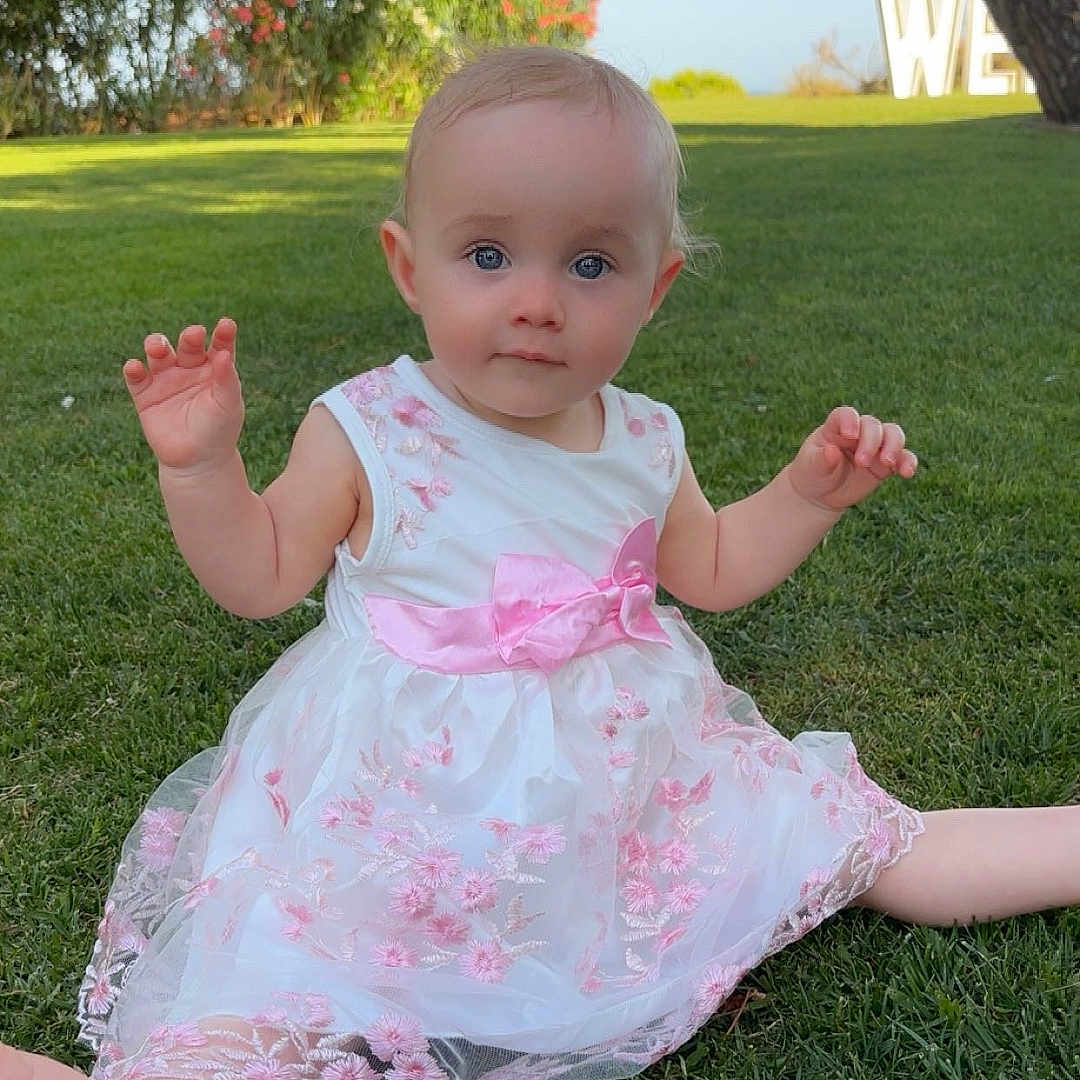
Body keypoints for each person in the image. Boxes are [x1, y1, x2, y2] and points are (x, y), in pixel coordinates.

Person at [5, 44, 1077, 1080]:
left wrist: (804, 496)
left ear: (653, 290)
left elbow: (706, 566)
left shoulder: (642, 436)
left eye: (591, 264)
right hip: (409, 814)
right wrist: (203, 473)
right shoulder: (368, 426)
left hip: (627, 778)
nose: (537, 300)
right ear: (406, 265)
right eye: (486, 256)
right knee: (294, 1002)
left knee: (855, 838)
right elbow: (259, 576)